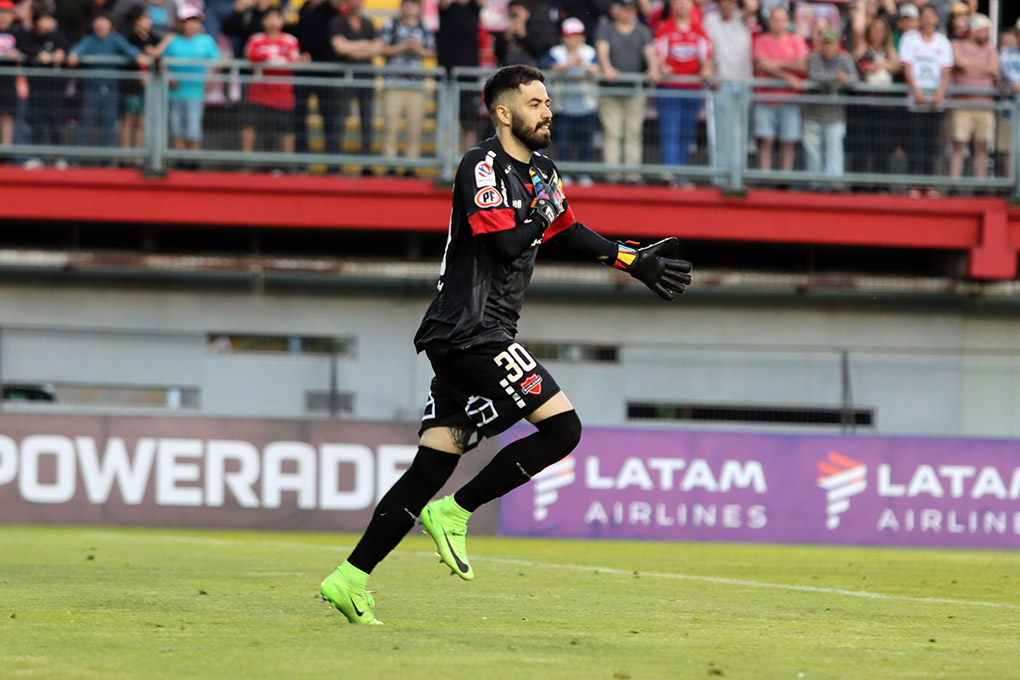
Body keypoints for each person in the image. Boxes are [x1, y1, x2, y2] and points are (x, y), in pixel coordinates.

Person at [318, 64, 692, 626]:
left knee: (430, 466)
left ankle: (350, 578)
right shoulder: (481, 164)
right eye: (536, 102)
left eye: (548, 102)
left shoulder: (543, 169)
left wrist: (628, 258)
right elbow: (505, 241)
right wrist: (540, 209)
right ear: (503, 112)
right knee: (564, 429)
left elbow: (565, 229)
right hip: (468, 331)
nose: (548, 110)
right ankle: (456, 512)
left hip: (479, 336)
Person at [594, 0, 660, 183]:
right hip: (610, 90)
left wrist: (653, 68)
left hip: (635, 90)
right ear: (615, 10)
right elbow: (602, 51)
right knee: (612, 133)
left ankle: (632, 175)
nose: (628, 12)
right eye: (624, 8)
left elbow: (650, 53)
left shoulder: (641, 31)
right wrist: (607, 68)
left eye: (631, 9)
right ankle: (612, 175)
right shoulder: (606, 29)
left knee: (633, 133)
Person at [653, 0, 712, 187]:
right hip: (670, 89)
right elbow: (658, 54)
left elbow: (707, 56)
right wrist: (662, 67)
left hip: (692, 89)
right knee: (670, 131)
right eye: (678, 4)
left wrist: (707, 70)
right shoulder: (665, 28)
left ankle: (682, 175)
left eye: (685, 4)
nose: (682, 7)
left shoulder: (699, 29)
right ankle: (670, 173)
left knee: (686, 134)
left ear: (692, 8)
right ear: (672, 7)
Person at [68, 11, 146, 152]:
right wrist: (74, 55)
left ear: (110, 25)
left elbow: (130, 50)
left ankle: (108, 161)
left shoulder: (115, 39)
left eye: (104, 20)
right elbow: (78, 50)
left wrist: (139, 56)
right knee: (85, 123)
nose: (100, 24)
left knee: (108, 125)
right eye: (98, 20)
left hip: (111, 88)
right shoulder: (89, 39)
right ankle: (77, 158)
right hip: (91, 89)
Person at [899, 4, 952, 197]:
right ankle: (914, 184)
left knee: (931, 144)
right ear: (920, 19)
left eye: (932, 16)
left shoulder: (943, 42)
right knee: (914, 142)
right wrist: (916, 91)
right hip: (915, 101)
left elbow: (946, 71)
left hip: (936, 102)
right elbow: (907, 66)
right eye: (925, 15)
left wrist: (940, 93)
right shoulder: (909, 39)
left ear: (937, 19)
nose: (928, 19)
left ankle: (928, 184)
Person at [380, 0, 436, 177]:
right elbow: (383, 49)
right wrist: (404, 47)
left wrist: (418, 50)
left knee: (414, 127)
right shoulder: (392, 24)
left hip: (416, 85)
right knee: (391, 126)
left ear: (419, 8)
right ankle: (390, 165)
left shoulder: (424, 27)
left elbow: (433, 51)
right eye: (405, 4)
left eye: (412, 4)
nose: (408, 8)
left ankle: (410, 166)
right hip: (394, 83)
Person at [704, 0, 756, 187]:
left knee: (740, 135)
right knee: (721, 136)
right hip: (722, 85)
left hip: (743, 85)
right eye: (723, 2)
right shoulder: (710, 20)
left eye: (731, 2)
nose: (726, 5)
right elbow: (707, 51)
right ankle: (719, 178)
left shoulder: (744, 20)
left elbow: (752, 7)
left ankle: (737, 178)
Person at [752, 6, 808, 174]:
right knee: (766, 140)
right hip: (766, 99)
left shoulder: (796, 40)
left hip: (790, 100)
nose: (778, 23)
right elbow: (762, 64)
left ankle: (785, 178)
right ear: (770, 22)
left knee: (788, 141)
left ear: (788, 22)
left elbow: (803, 66)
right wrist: (788, 77)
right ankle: (765, 176)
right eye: (774, 19)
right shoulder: (762, 40)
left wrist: (776, 64)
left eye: (781, 19)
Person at [159, 6, 222, 155]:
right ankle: (180, 158)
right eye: (189, 21)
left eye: (196, 21)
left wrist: (211, 81)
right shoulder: (172, 40)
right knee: (176, 126)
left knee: (194, 126)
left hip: (196, 92)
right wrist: (169, 77)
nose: (193, 25)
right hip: (175, 92)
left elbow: (218, 62)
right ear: (181, 24)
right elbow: (160, 61)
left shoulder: (206, 41)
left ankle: (193, 160)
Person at [241, 6, 300, 158]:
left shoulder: (290, 40)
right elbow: (251, 57)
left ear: (282, 21)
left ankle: (288, 162)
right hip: (259, 89)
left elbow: (294, 62)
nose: (273, 22)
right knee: (249, 123)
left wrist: (268, 58)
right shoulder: (255, 39)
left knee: (286, 127)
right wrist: (276, 59)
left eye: (276, 18)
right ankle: (246, 160)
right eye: (270, 18)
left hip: (283, 91)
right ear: (263, 21)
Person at [848, 10, 900, 183]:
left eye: (881, 29)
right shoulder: (862, 47)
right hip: (863, 104)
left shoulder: (889, 49)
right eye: (874, 29)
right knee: (861, 146)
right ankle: (859, 185)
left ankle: (881, 185)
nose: (877, 33)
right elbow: (856, 30)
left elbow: (896, 66)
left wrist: (881, 63)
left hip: (883, 106)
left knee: (882, 146)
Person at [330, 0, 382, 173]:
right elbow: (339, 48)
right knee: (339, 120)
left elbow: (376, 48)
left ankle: (366, 164)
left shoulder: (369, 24)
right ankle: (334, 163)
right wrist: (364, 45)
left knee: (367, 121)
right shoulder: (338, 22)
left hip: (366, 79)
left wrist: (352, 48)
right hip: (344, 78)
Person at [546, 16, 599, 184]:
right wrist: (570, 64)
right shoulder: (557, 52)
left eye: (578, 36)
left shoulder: (589, 52)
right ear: (564, 37)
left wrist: (581, 64)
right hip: (563, 106)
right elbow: (552, 68)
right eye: (571, 36)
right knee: (564, 142)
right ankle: (565, 173)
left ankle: (585, 173)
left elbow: (596, 69)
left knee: (585, 142)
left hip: (586, 106)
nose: (575, 40)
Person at [803, 28, 857, 188]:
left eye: (831, 44)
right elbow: (815, 76)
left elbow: (854, 80)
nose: (828, 47)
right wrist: (836, 77)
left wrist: (844, 79)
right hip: (813, 114)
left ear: (837, 45)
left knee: (834, 152)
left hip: (835, 115)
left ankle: (834, 187)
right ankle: (815, 186)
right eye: (825, 43)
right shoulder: (814, 58)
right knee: (813, 154)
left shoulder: (845, 59)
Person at [948, 13, 996, 184]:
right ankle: (954, 183)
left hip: (985, 104)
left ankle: (980, 184)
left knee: (981, 146)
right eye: (983, 30)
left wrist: (970, 68)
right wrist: (981, 69)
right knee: (959, 145)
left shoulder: (990, 48)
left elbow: (993, 68)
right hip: (962, 104)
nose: (987, 34)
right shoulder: (957, 45)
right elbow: (959, 63)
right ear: (974, 30)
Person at [18, 6, 68, 161]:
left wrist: (60, 53)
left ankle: (59, 157)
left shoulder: (57, 36)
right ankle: (36, 157)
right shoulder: (29, 36)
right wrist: (39, 53)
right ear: (37, 22)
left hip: (54, 88)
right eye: (45, 19)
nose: (49, 22)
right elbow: (23, 48)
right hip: (36, 88)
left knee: (56, 122)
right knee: (36, 123)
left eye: (50, 19)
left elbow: (66, 48)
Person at [436, 0, 484, 151]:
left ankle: (469, 164)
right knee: (445, 122)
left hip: (468, 75)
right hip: (446, 75)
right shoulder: (446, 8)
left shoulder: (473, 8)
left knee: (469, 124)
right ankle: (445, 165)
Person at [120, 6, 160, 158]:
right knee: (129, 119)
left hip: (148, 87)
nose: (149, 22)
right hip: (131, 85)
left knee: (143, 122)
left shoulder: (154, 38)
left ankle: (138, 156)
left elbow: (161, 51)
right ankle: (125, 155)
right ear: (135, 21)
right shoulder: (127, 38)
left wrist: (155, 52)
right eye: (145, 19)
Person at [493, 0, 543, 67]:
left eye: (519, 10)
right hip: (507, 70)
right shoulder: (503, 30)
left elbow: (539, 51)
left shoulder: (534, 30)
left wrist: (523, 36)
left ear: (527, 13)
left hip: (529, 69)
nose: (515, 14)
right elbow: (498, 54)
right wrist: (506, 37)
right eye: (512, 11)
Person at [0, 0, 22, 147]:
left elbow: (29, 48)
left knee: (6, 116)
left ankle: (5, 153)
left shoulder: (18, 33)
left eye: (7, 13)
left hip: (7, 81)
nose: (3, 17)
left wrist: (18, 52)